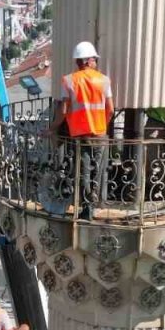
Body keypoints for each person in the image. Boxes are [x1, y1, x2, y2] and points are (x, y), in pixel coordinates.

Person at [54, 41, 114, 220]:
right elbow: (110, 109)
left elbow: (64, 110)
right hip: (100, 133)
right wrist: (102, 125)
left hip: (80, 134)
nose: (96, 62)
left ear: (78, 61)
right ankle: (92, 204)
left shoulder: (68, 81)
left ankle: (86, 207)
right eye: (94, 59)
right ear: (88, 60)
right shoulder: (104, 80)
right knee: (98, 170)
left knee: (84, 171)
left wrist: (52, 128)